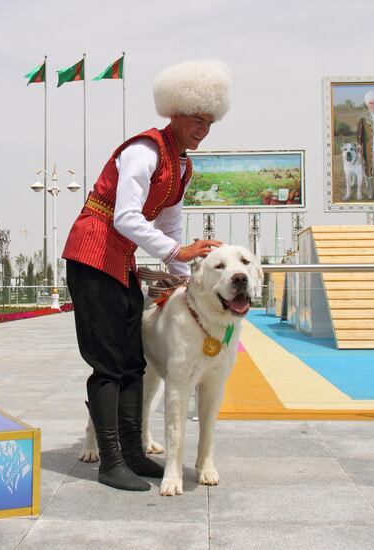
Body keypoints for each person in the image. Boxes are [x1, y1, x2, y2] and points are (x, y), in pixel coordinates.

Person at [62, 59, 230, 491]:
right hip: (91, 254)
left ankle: (134, 452)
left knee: (133, 360)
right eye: (198, 120)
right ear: (175, 112)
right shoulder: (144, 151)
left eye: (209, 123)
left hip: (121, 263)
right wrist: (179, 253)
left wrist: (184, 277)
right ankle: (110, 460)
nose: (203, 130)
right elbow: (126, 218)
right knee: (107, 361)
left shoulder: (182, 166)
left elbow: (170, 228)